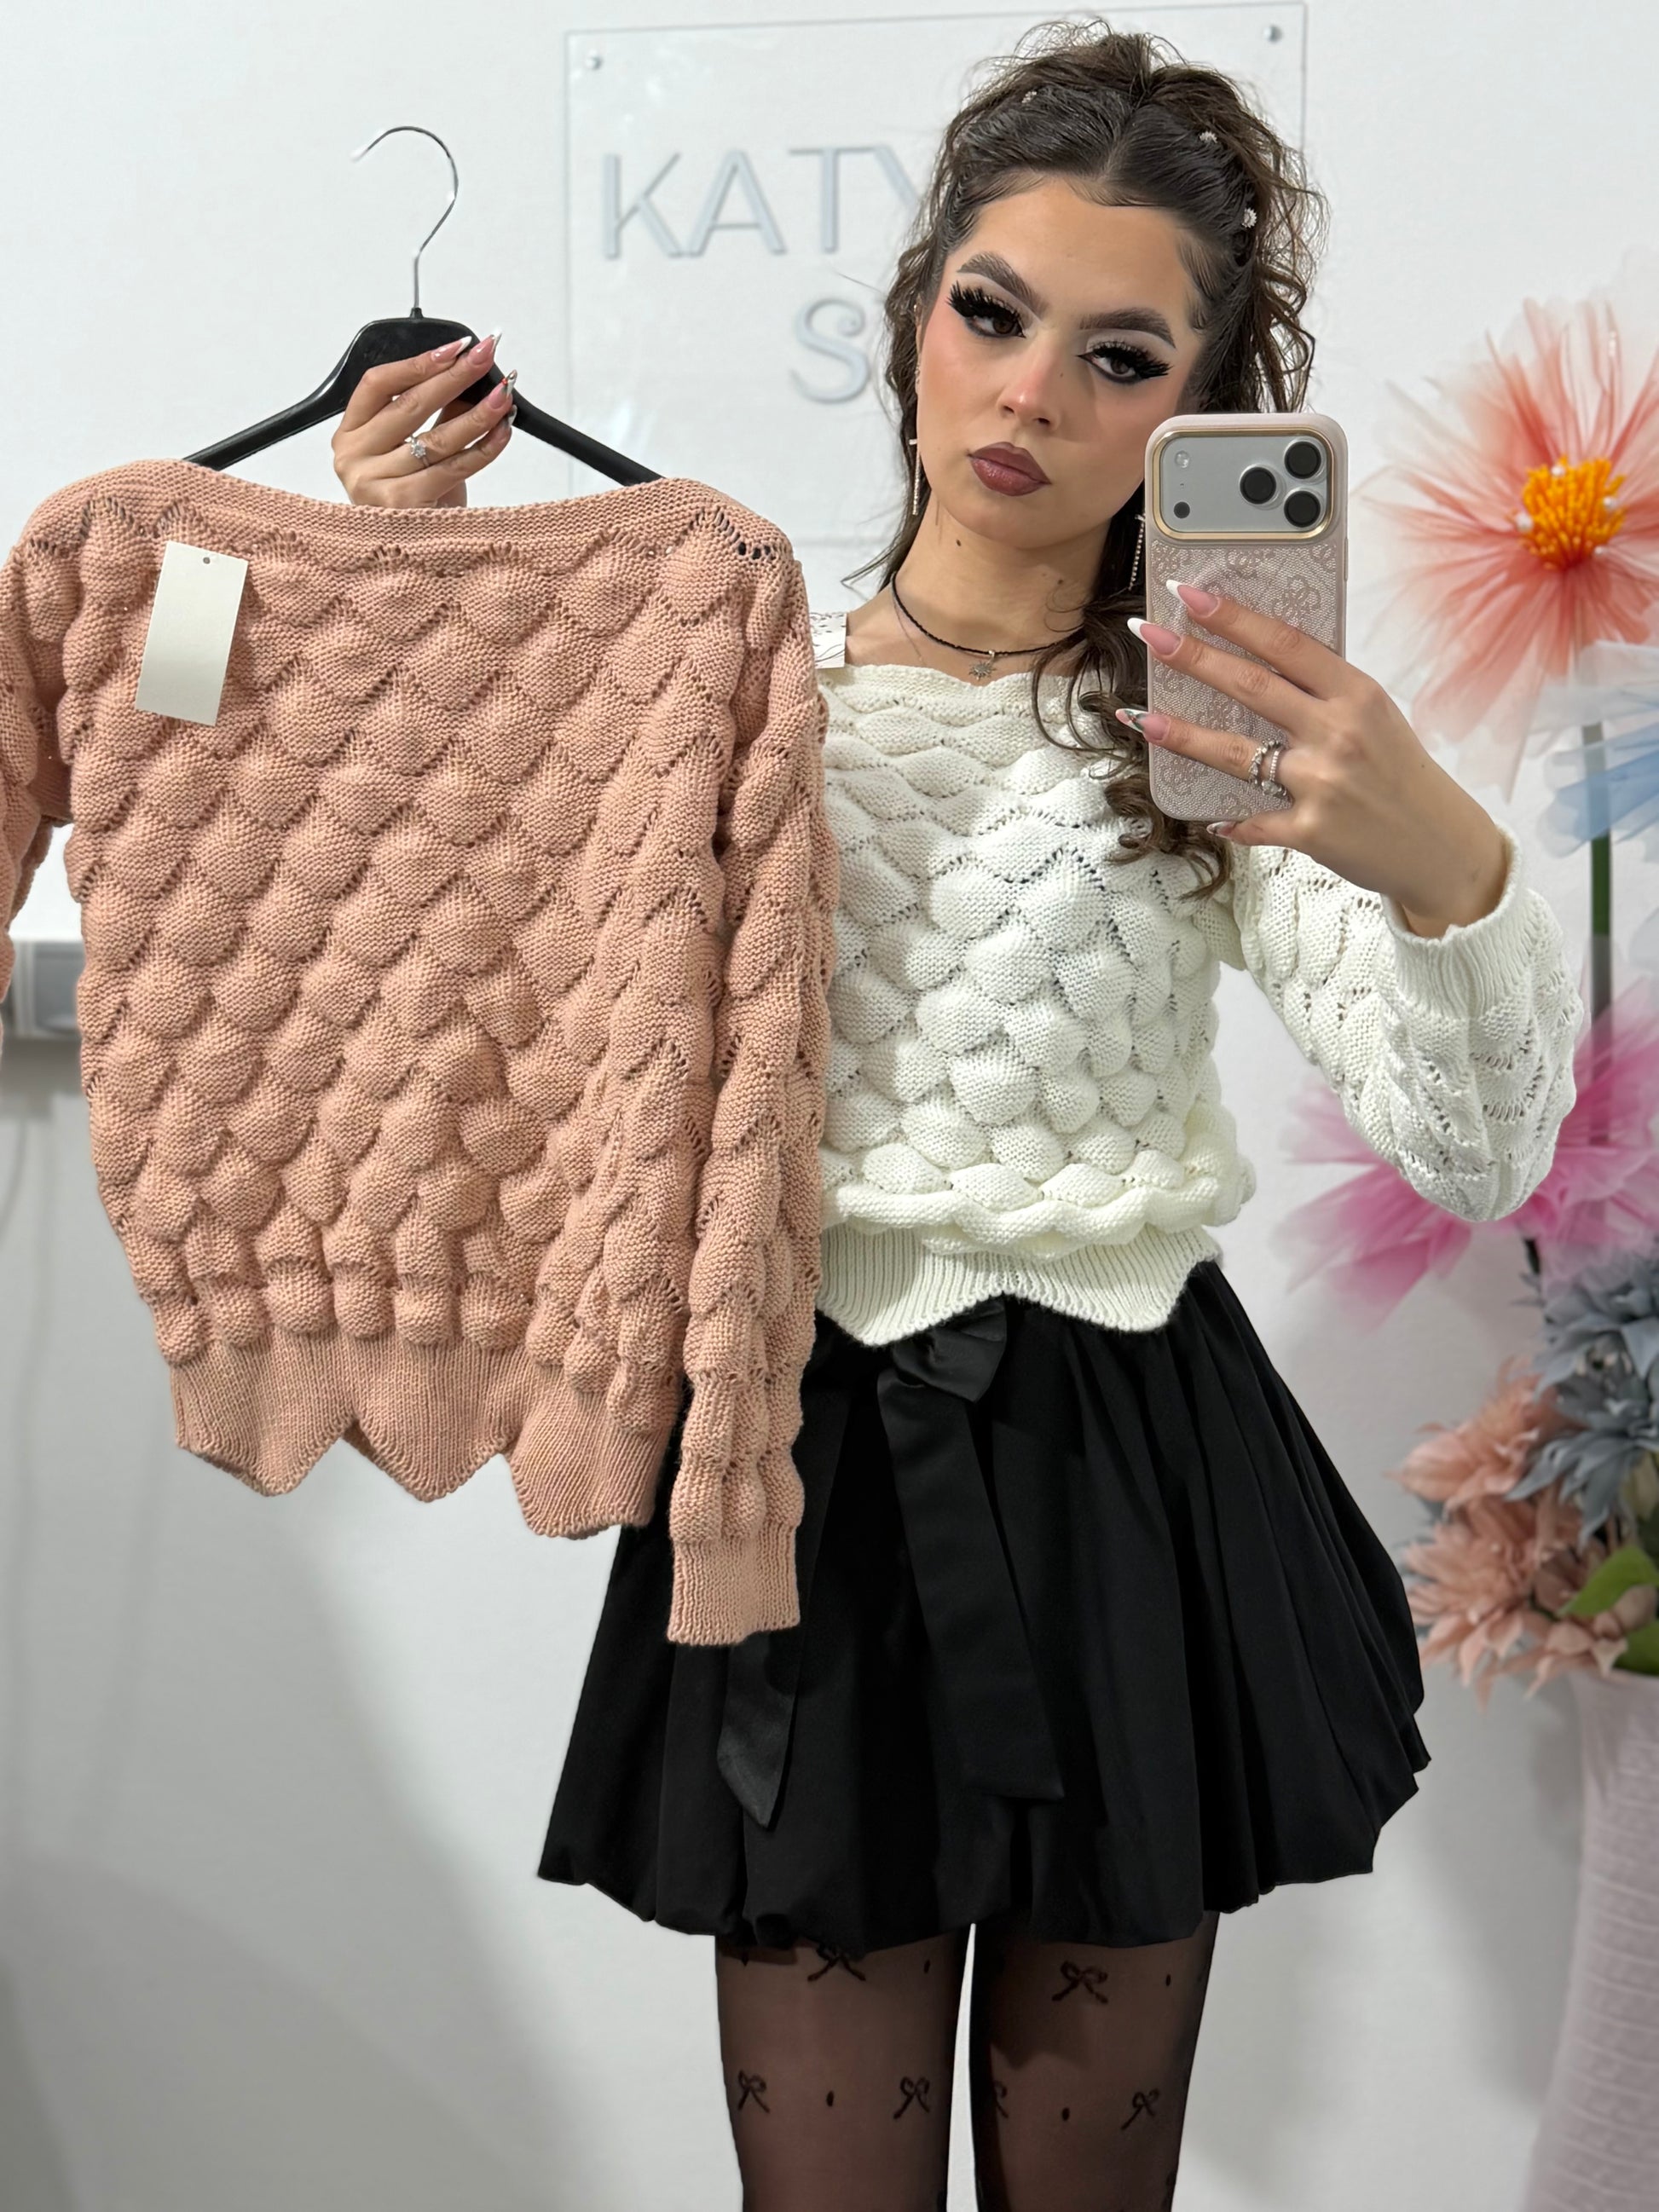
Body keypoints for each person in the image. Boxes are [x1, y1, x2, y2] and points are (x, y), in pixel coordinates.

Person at [333, 24, 1580, 2210]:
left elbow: (1477, 1153)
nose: (1029, 395)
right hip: (796, 1468)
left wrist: (1445, 861)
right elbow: (467, 1009)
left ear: (1193, 415)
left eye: (1118, 358)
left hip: (1126, 1472)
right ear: (911, 309)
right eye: (992, 314)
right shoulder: (726, 690)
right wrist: (399, 586)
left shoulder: (1220, 736)